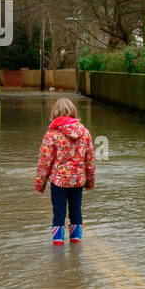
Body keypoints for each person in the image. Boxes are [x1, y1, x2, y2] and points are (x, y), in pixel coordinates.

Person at [34, 98, 95, 245]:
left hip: (59, 181)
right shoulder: (85, 133)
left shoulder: (51, 134)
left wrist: (40, 184)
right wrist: (90, 181)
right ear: (73, 111)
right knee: (76, 210)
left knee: (59, 212)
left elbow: (45, 161)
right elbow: (90, 160)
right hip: (78, 180)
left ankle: (58, 244)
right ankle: (76, 241)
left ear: (55, 112)